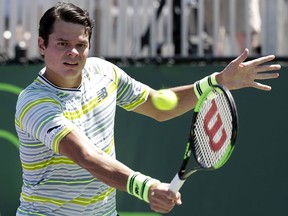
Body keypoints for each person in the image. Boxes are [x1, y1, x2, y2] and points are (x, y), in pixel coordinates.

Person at [14, 2, 281, 216]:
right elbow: (86, 156)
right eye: (62, 44)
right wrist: (148, 187)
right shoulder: (35, 102)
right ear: (42, 45)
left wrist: (218, 81)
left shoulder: (103, 72)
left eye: (80, 45)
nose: (73, 52)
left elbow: (156, 105)